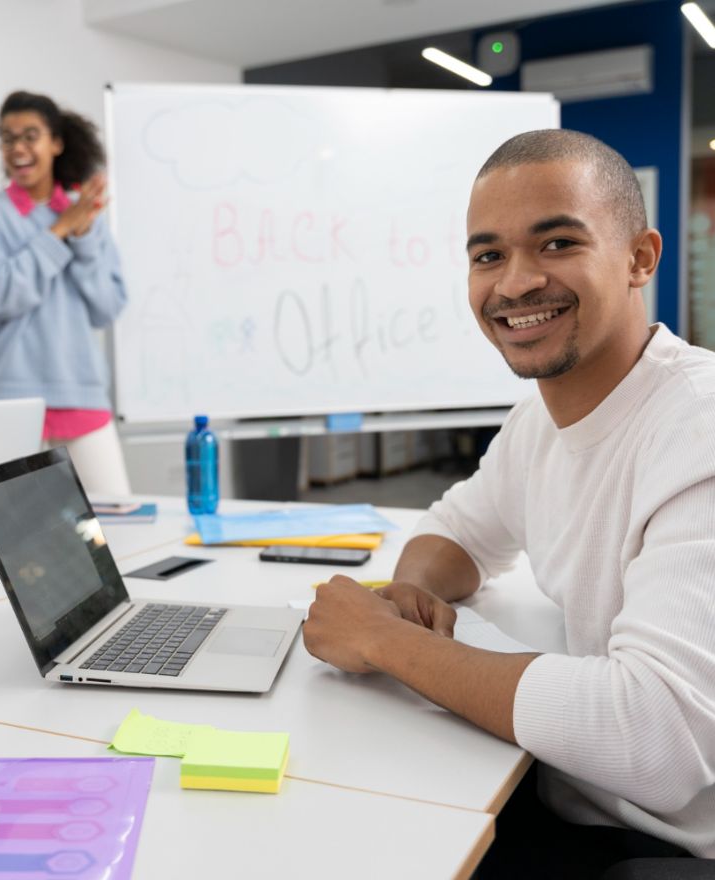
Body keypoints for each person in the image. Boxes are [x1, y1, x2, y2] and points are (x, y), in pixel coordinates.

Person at [303, 130, 715, 874]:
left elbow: (657, 738)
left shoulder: (698, 426)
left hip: (672, 845)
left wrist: (388, 643)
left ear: (640, 258)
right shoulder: (539, 421)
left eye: (557, 243)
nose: (516, 284)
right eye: (488, 255)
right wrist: (410, 593)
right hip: (577, 793)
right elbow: (458, 530)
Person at [0, 90, 130, 495]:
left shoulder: (84, 212)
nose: (17, 148)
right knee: (11, 530)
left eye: (30, 136)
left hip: (80, 393)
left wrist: (83, 235)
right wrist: (59, 231)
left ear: (55, 142)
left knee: (117, 521)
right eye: (7, 138)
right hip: (6, 401)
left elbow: (107, 308)